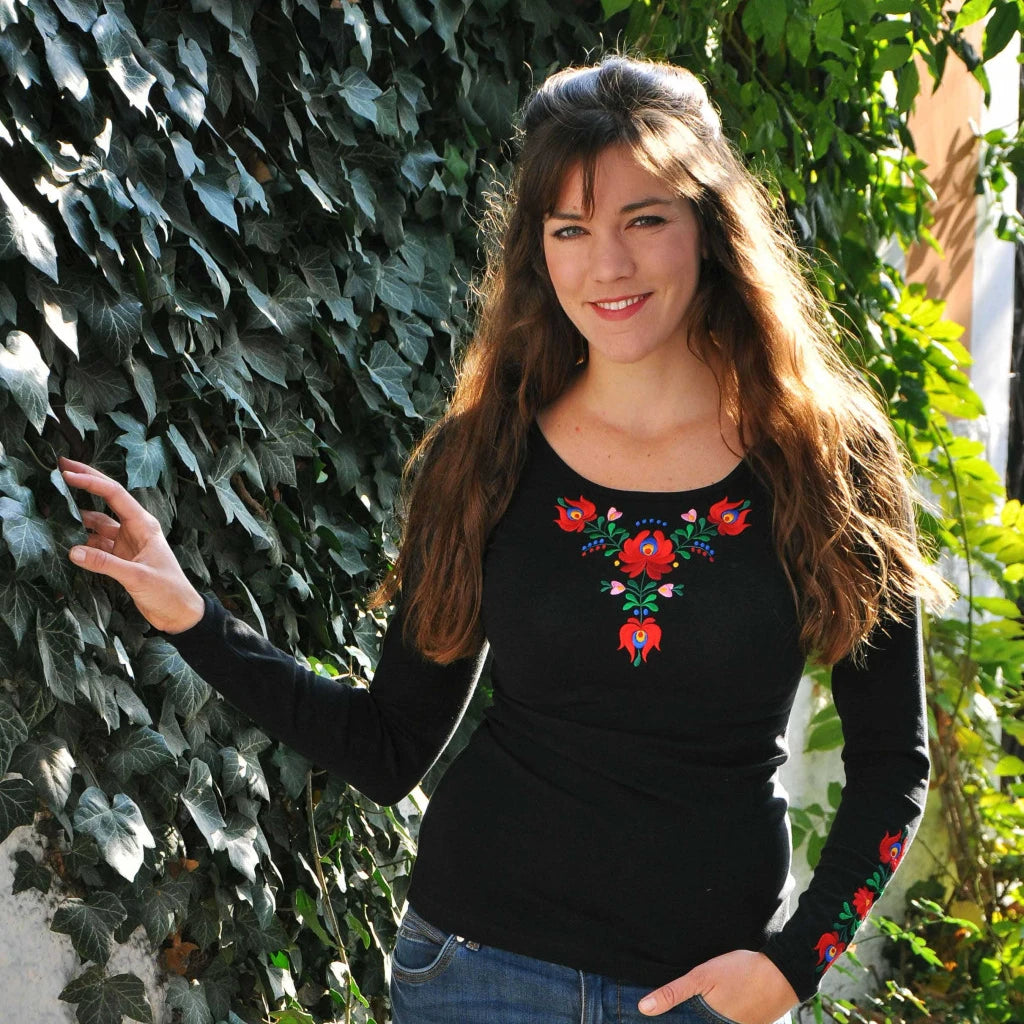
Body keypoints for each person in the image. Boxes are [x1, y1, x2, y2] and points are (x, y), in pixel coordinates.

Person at [60, 55, 949, 1024]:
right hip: (477, 973)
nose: (606, 265)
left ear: (711, 225)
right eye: (570, 229)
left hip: (700, 994)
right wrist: (192, 617)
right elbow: (390, 743)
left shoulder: (827, 460)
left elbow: (892, 760)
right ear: (537, 249)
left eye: (642, 220)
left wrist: (792, 965)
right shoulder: (483, 457)